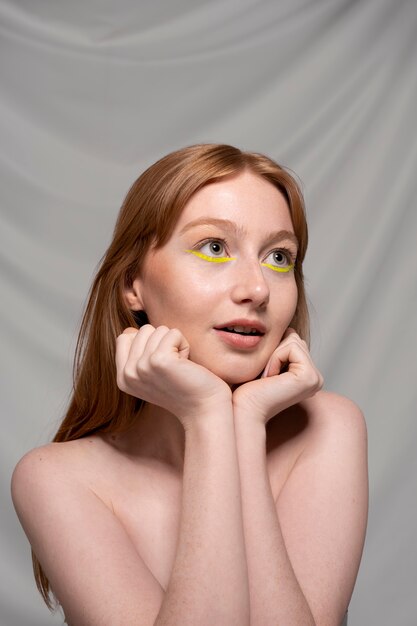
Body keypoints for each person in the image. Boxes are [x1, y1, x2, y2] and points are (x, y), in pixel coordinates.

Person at [11, 143, 368, 626]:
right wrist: (207, 417)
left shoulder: (328, 428)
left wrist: (242, 424)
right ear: (132, 284)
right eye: (215, 247)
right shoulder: (55, 479)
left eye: (279, 257)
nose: (257, 289)